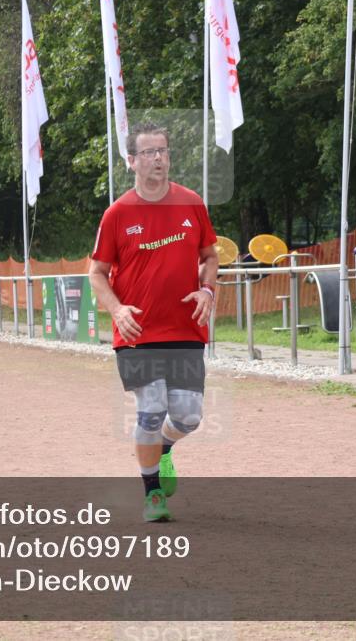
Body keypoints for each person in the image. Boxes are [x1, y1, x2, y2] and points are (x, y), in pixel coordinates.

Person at [88, 122, 219, 522]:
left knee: (188, 416)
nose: (158, 158)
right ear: (131, 161)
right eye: (149, 152)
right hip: (137, 332)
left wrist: (207, 290)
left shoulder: (191, 203)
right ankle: (152, 494)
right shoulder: (117, 214)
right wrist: (117, 310)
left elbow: (210, 255)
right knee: (151, 408)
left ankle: (162, 450)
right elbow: (96, 272)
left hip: (185, 329)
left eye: (163, 151)